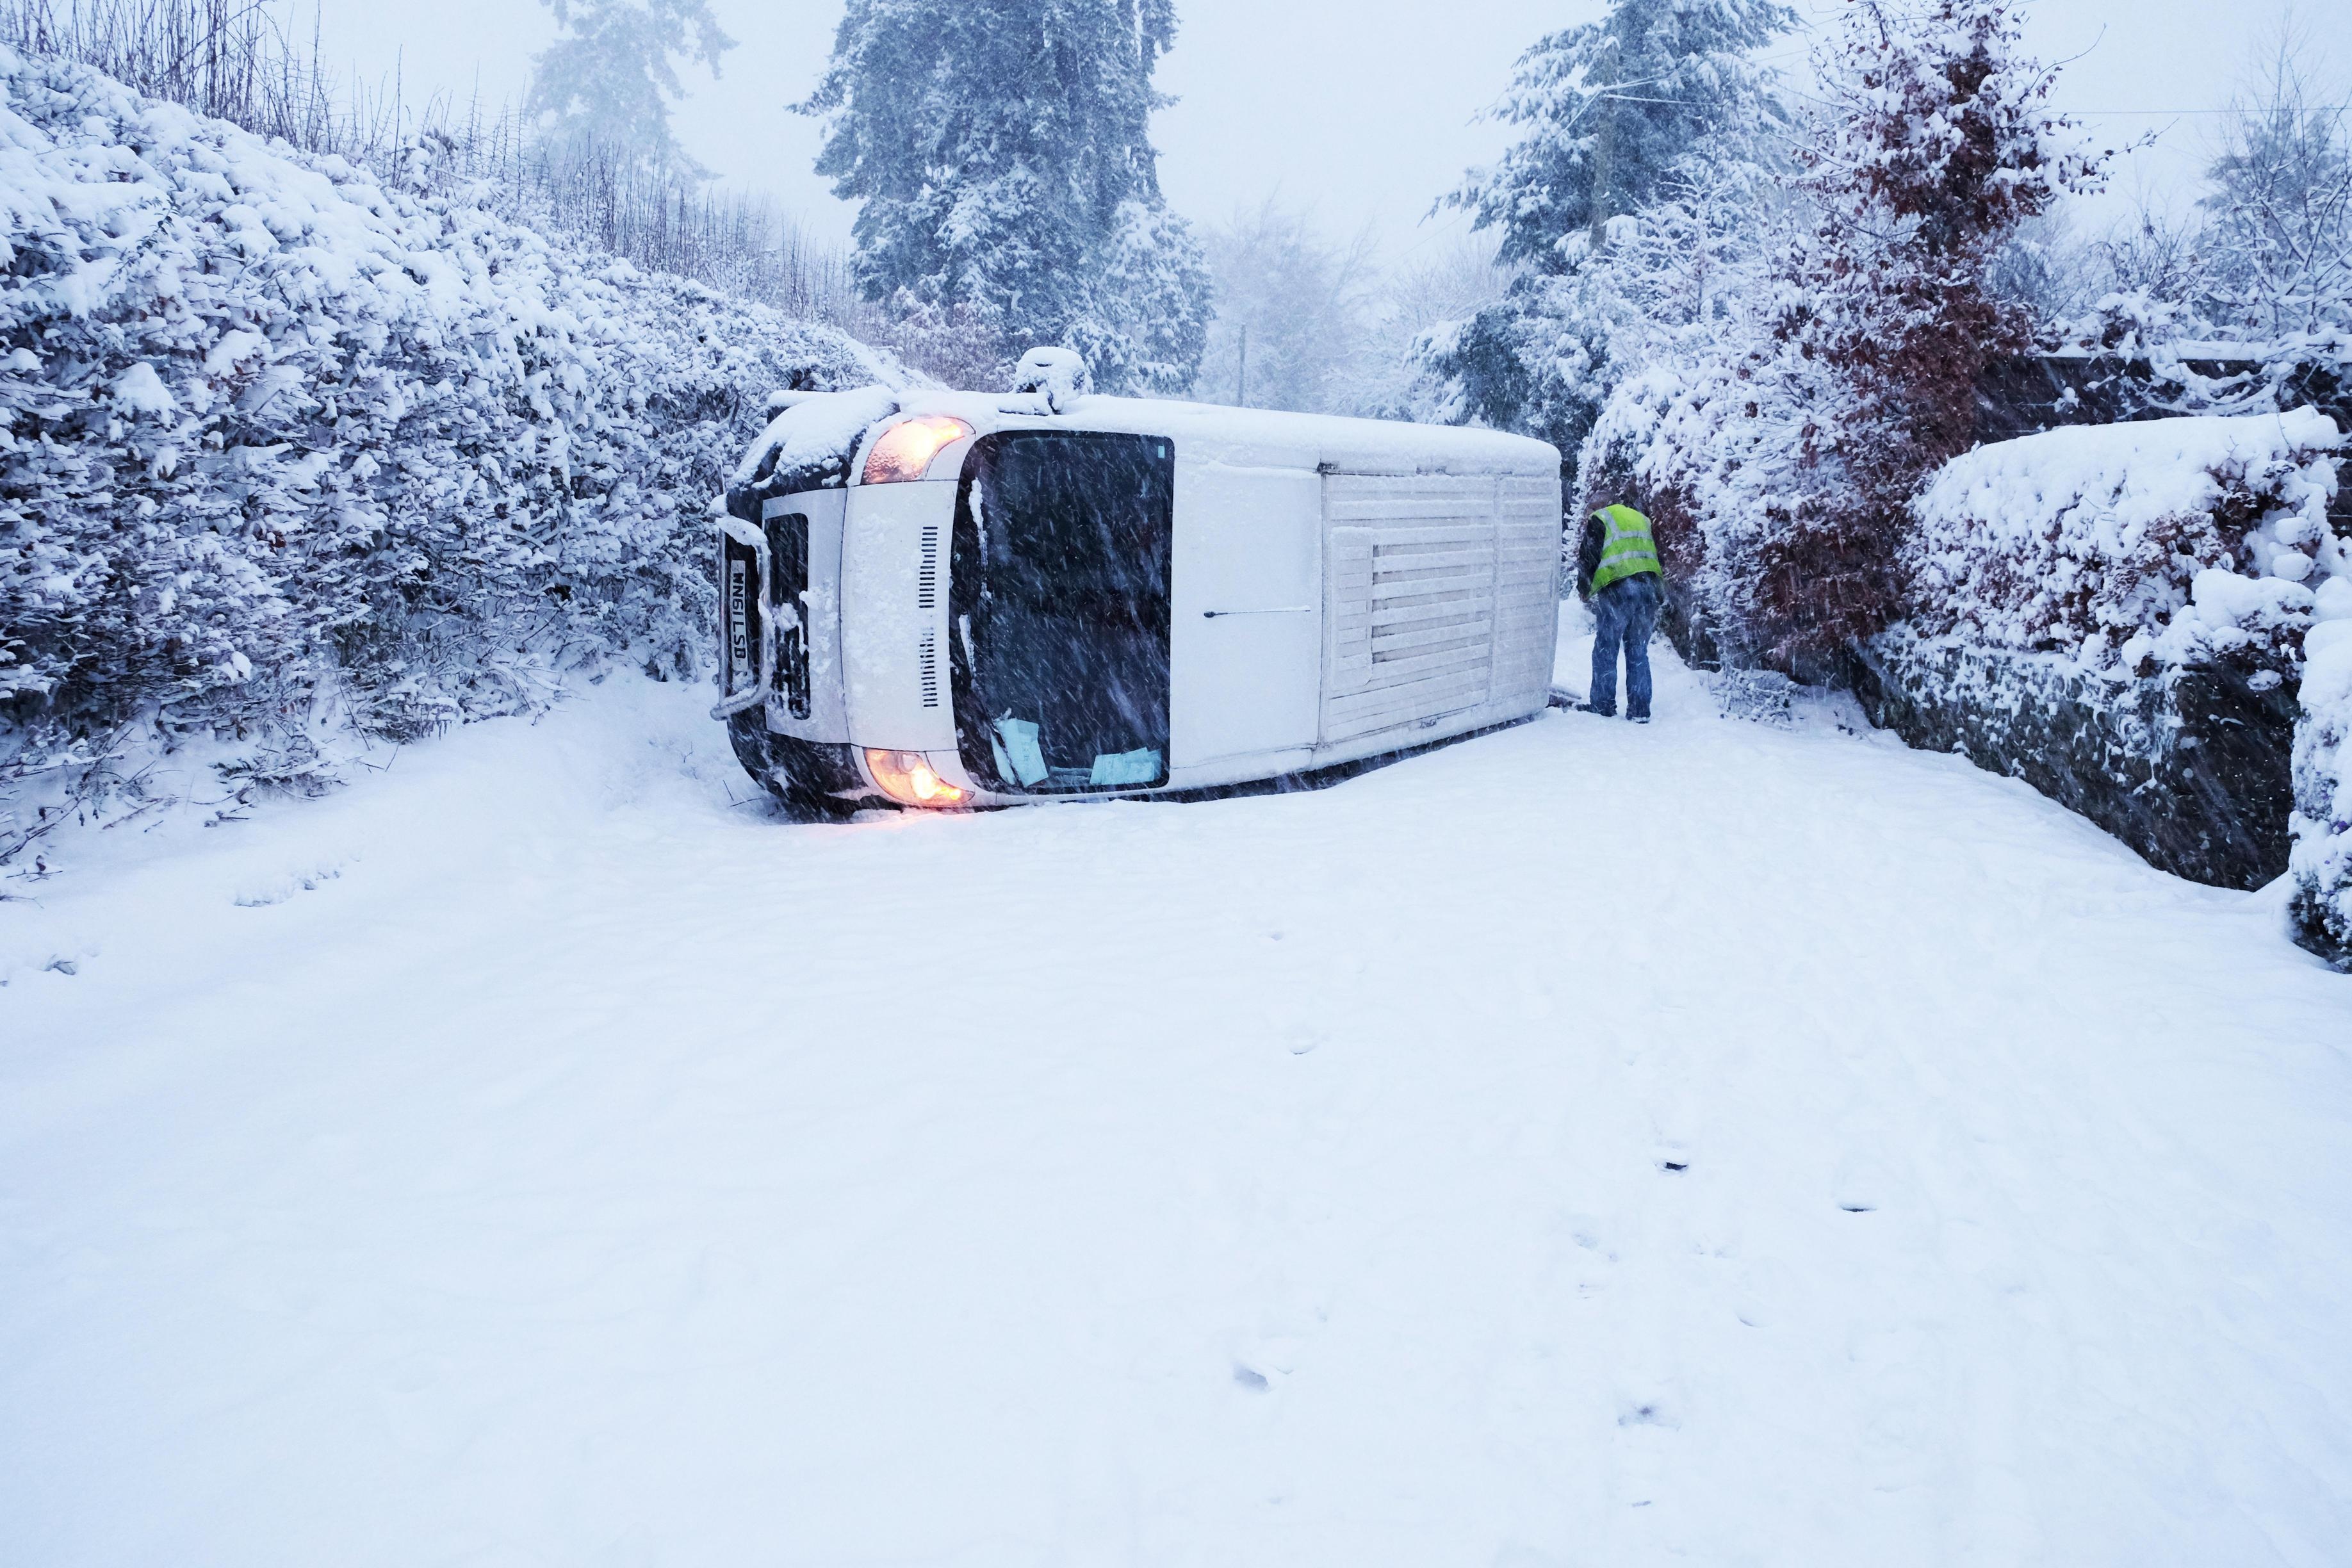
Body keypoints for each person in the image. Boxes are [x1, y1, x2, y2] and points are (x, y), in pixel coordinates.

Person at [1574, 502, 1665, 723]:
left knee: (1607, 646)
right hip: (1649, 587)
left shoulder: (1601, 519)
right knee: (1638, 649)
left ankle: (1603, 705)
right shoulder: (1641, 519)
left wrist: (1583, 588)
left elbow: (1589, 555)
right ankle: (1640, 710)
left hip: (1620, 588)